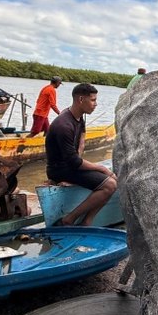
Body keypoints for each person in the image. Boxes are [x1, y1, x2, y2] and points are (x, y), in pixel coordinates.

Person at [45, 83, 117, 226]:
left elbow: (81, 142)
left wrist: (82, 165)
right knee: (109, 185)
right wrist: (101, 168)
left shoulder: (78, 117)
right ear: (80, 100)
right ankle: (70, 219)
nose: (95, 104)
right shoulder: (64, 125)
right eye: (93, 100)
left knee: (112, 177)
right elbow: (73, 161)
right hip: (59, 169)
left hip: (70, 166)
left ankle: (87, 221)